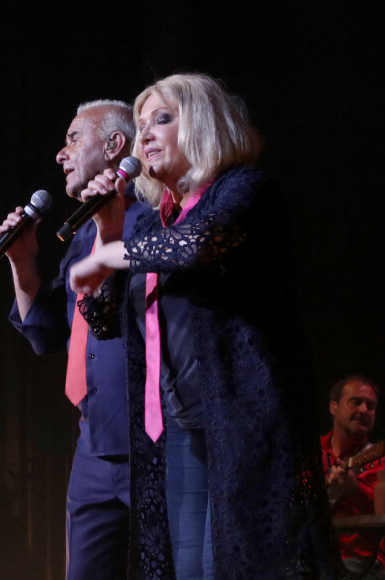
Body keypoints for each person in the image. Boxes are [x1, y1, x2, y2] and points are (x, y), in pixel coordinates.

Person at [69, 73, 338, 579]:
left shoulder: (244, 190)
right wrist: (110, 228)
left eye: (162, 119)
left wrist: (116, 250)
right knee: (188, 568)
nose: (144, 133)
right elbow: (105, 323)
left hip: (243, 423)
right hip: (173, 427)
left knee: (234, 564)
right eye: (141, 123)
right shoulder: (149, 223)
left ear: (204, 124)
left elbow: (200, 244)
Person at [0, 100, 148, 580]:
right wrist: (22, 262)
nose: (61, 154)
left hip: (151, 441)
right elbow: (47, 336)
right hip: (94, 444)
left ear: (114, 146)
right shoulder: (79, 236)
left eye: (73, 138)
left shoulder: (150, 220)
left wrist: (114, 235)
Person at [322, 375, 385, 578]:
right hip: (304, 552)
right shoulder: (310, 455)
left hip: (354, 559)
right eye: (355, 402)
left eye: (370, 405)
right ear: (334, 407)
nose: (364, 410)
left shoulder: (379, 458)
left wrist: (355, 490)